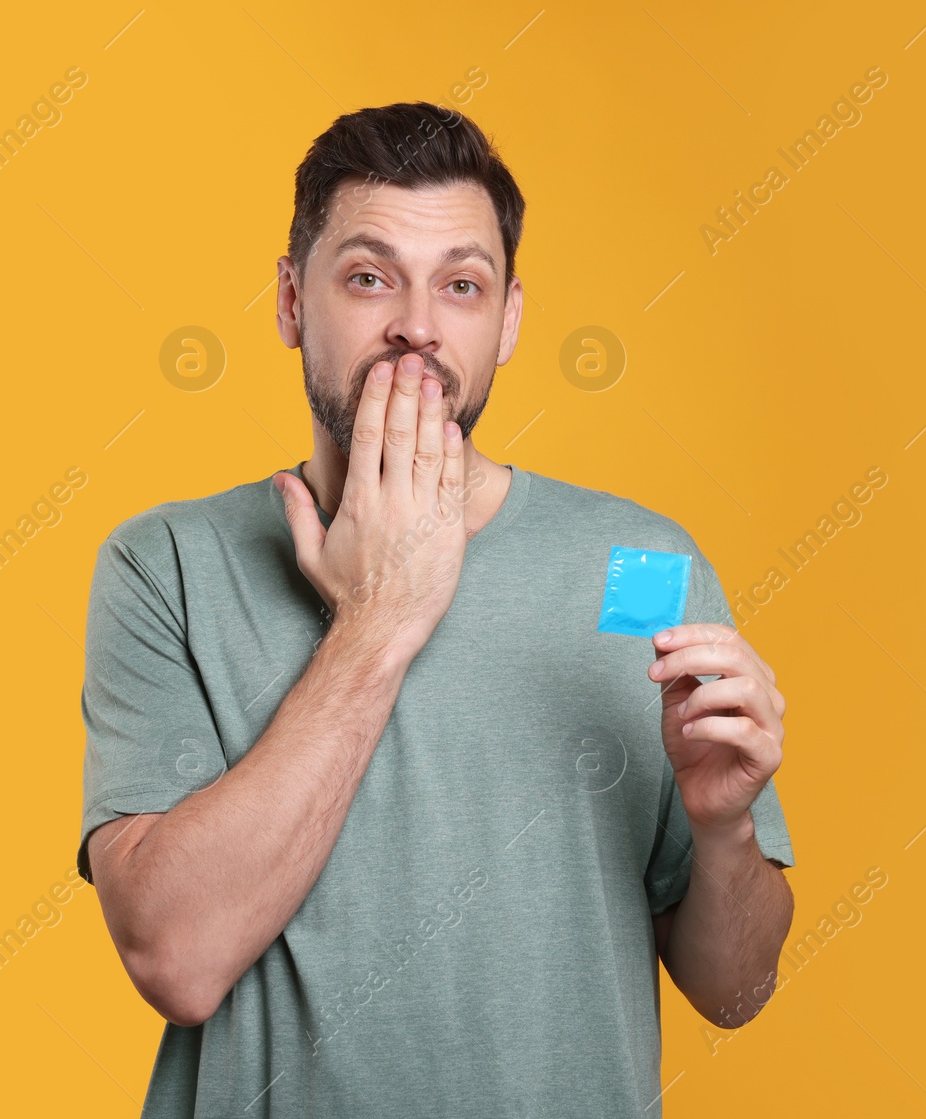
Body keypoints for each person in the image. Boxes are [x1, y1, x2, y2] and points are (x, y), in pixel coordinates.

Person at [76, 100, 795, 1118]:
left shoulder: (639, 567)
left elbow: (738, 993)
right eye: (368, 276)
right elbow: (175, 958)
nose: (417, 321)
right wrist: (377, 620)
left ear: (505, 322)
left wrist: (721, 831)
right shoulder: (170, 568)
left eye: (461, 284)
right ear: (290, 300)